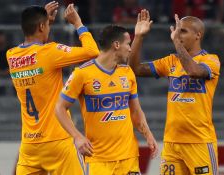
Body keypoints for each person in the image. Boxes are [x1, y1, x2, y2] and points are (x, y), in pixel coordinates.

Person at [6, 2, 99, 175]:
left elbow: (33, 49)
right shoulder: (51, 52)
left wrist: (43, 22)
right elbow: (92, 51)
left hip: (30, 146)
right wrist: (78, 23)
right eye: (47, 25)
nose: (49, 28)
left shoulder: (11, 55)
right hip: (59, 141)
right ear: (41, 26)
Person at [55, 24, 158, 175]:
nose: (130, 49)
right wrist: (77, 136)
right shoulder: (82, 74)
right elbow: (59, 108)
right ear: (116, 45)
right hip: (98, 160)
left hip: (128, 158)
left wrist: (148, 135)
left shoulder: (127, 72)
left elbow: (136, 111)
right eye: (128, 44)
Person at [129, 10, 220, 174]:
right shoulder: (171, 61)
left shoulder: (211, 60)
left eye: (183, 31)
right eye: (177, 30)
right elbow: (135, 69)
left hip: (199, 142)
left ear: (198, 35)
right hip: (172, 143)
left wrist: (177, 43)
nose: (178, 34)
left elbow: (193, 71)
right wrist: (139, 37)